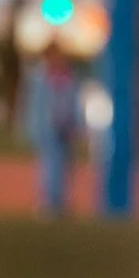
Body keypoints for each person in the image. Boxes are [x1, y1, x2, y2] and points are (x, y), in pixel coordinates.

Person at [26, 47, 85, 216]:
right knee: (48, 166)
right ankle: (48, 202)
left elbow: (74, 103)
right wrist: (34, 128)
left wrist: (76, 125)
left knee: (65, 168)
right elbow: (35, 106)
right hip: (48, 130)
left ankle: (61, 202)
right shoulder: (40, 77)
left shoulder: (69, 78)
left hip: (65, 130)